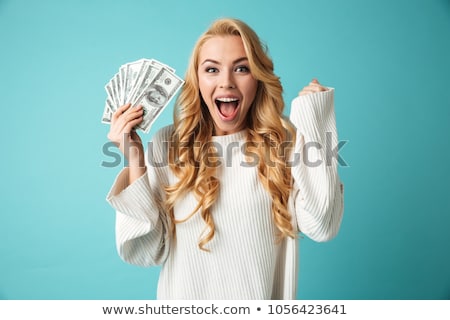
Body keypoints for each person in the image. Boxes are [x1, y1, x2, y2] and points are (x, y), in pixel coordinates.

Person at [106, 18, 344, 299]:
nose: (226, 82)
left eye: (241, 68)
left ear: (257, 78)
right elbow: (144, 252)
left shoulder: (284, 143)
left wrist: (314, 118)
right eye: (212, 69)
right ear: (197, 79)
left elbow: (322, 225)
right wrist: (135, 158)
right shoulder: (169, 144)